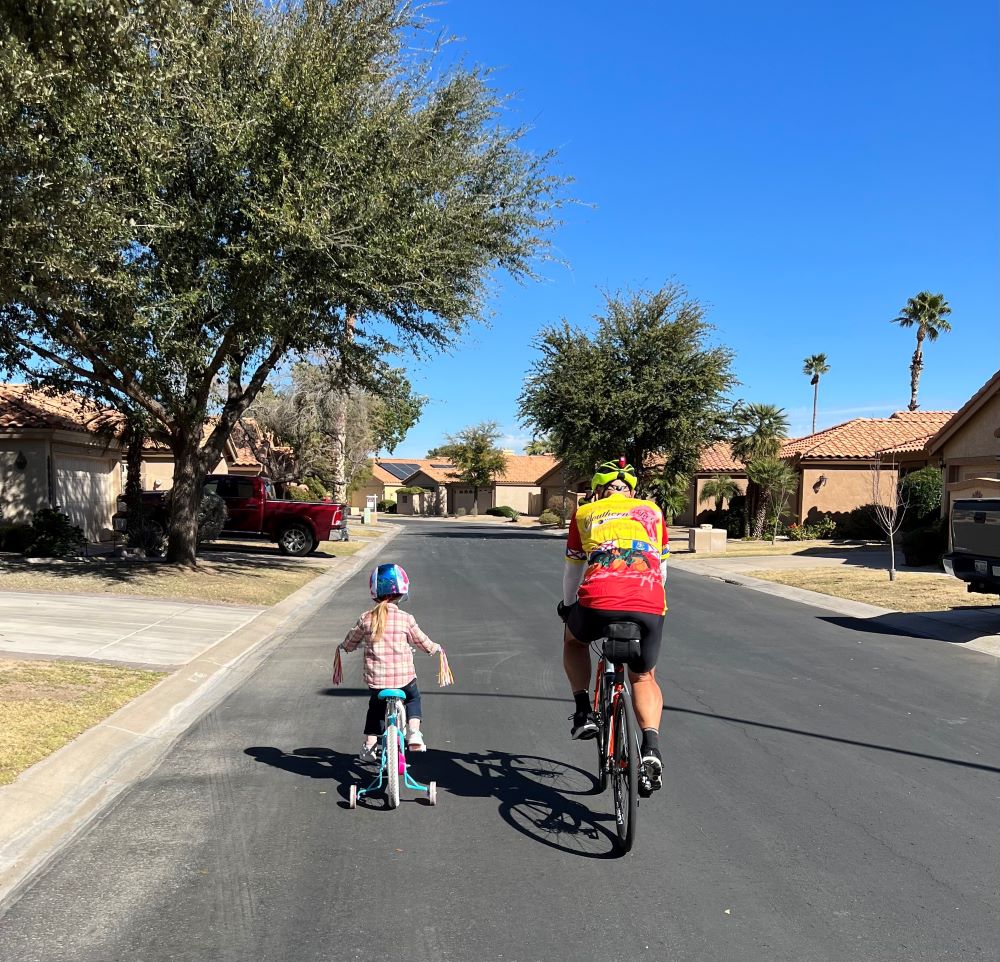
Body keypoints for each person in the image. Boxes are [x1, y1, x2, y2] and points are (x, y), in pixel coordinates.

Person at [557, 458, 668, 793]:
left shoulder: (584, 513)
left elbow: (573, 571)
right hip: (649, 600)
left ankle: (582, 713)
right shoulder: (653, 511)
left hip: (599, 600)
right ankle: (650, 746)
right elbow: (662, 569)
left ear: (597, 491)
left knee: (573, 641)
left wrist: (567, 606)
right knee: (643, 676)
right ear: (632, 491)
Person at [338, 562, 441, 762]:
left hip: (378, 682)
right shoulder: (405, 618)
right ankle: (414, 733)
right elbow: (421, 641)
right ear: (401, 592)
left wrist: (344, 647)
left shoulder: (366, 618)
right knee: (413, 698)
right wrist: (434, 648)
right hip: (404, 680)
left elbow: (351, 641)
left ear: (374, 592)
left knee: (375, 709)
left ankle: (369, 745)